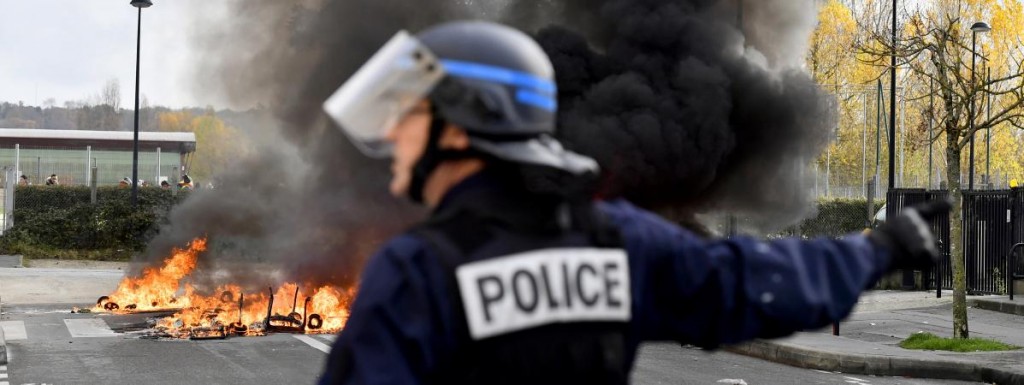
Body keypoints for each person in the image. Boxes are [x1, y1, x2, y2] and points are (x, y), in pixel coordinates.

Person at [318, 21, 949, 384]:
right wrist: (879, 249)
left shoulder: (418, 272)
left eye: (411, 118)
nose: (393, 136)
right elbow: (757, 284)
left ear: (462, 127)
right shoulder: (617, 242)